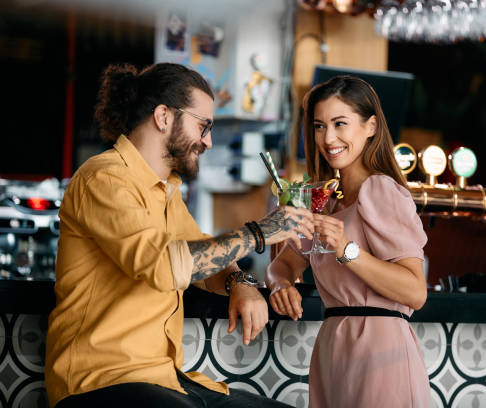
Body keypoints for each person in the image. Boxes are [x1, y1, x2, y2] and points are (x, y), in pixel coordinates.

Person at [44, 62, 314, 408]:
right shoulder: (104, 179)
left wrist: (240, 282)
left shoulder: (167, 192)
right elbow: (163, 266)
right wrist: (259, 233)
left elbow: (205, 258)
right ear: (164, 117)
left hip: (163, 380)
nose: (209, 141)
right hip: (98, 383)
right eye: (204, 125)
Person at [266, 75, 430, 407]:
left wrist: (346, 250)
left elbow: (415, 291)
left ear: (370, 126)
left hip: (380, 350)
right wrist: (279, 285)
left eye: (340, 124)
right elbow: (282, 263)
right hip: (333, 349)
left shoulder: (380, 190)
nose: (329, 138)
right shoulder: (324, 201)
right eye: (319, 126)